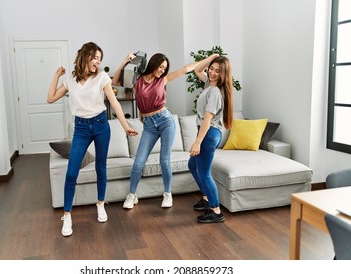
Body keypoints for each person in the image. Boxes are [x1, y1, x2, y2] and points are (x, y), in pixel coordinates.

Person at [47, 42, 137, 237]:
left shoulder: (102, 77)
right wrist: (57, 75)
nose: (98, 61)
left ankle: (100, 203)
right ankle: (67, 215)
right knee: (71, 173)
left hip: (100, 125)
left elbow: (114, 104)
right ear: (85, 56)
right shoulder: (70, 81)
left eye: (99, 58)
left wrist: (126, 126)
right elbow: (51, 98)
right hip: (81, 128)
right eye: (95, 57)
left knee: (101, 167)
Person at [112, 53, 203, 209]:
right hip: (149, 125)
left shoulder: (163, 80)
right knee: (138, 163)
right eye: (160, 67)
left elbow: (186, 68)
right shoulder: (137, 80)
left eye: (165, 68)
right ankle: (132, 195)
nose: (162, 70)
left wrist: (209, 59)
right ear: (153, 64)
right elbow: (114, 81)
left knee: (164, 161)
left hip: (166, 121)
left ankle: (167, 194)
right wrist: (125, 61)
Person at [188, 54, 234, 223]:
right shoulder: (210, 84)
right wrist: (212, 58)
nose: (213, 73)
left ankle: (215, 211)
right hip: (208, 132)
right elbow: (197, 69)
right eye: (212, 69)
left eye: (217, 71)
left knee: (204, 172)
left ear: (224, 74)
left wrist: (197, 142)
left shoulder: (215, 92)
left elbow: (207, 119)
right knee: (192, 165)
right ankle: (207, 199)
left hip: (209, 133)